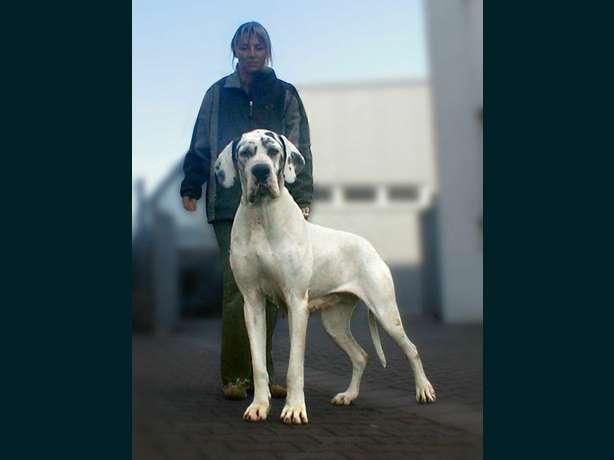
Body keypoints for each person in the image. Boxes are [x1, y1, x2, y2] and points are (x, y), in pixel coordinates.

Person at [179, 22, 314, 400]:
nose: (251, 53)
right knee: (237, 289)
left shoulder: (285, 94)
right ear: (234, 50)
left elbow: (299, 146)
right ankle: (236, 376)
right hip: (228, 205)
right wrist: (191, 186)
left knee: (273, 295)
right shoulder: (216, 94)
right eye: (244, 46)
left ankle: (263, 378)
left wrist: (303, 197)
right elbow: (201, 143)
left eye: (258, 46)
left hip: (277, 205)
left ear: (267, 50)